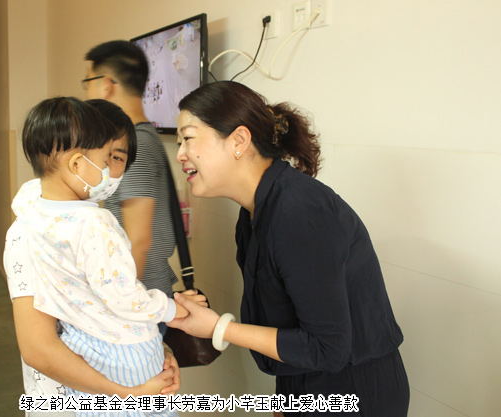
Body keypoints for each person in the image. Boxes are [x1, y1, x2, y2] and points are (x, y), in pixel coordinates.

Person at [170, 81, 410, 416]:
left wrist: (218, 328)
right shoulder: (254, 213)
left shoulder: (298, 211)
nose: (180, 154)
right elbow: (290, 323)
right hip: (304, 384)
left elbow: (328, 348)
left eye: (188, 138)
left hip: (353, 391)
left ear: (238, 140)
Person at [4, 97, 204, 416]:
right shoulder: (53, 229)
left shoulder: (36, 210)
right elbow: (39, 349)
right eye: (102, 157)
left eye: (118, 157)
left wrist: (159, 348)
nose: (109, 169)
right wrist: (129, 392)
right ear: (77, 162)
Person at [83, 41, 178, 305]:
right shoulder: (141, 138)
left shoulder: (136, 146)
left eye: (88, 83)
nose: (86, 94)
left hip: (139, 298)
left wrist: (119, 305)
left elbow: (138, 240)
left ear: (106, 85)